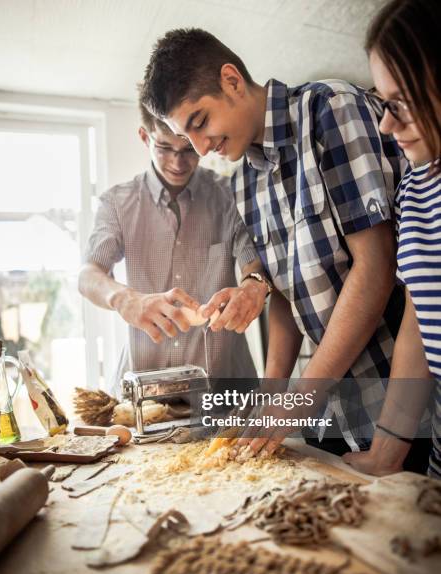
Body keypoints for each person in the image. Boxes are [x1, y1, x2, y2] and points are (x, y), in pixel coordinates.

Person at [140, 28, 410, 459]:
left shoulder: (330, 110)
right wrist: (272, 397)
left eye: (200, 122)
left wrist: (297, 400)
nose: (201, 148)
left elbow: (375, 267)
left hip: (401, 402)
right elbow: (287, 294)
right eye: (187, 137)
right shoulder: (245, 178)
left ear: (231, 80)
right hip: (336, 408)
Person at [79, 103, 270, 392]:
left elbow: (254, 266)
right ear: (145, 137)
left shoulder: (231, 195)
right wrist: (124, 299)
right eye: (165, 148)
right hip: (146, 388)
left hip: (225, 386)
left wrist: (251, 288)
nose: (178, 163)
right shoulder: (117, 203)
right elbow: (88, 275)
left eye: (188, 150)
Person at [343, 0, 441, 479]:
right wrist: (388, 450)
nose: (386, 125)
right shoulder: (416, 186)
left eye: (401, 103)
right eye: (384, 105)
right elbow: (419, 324)